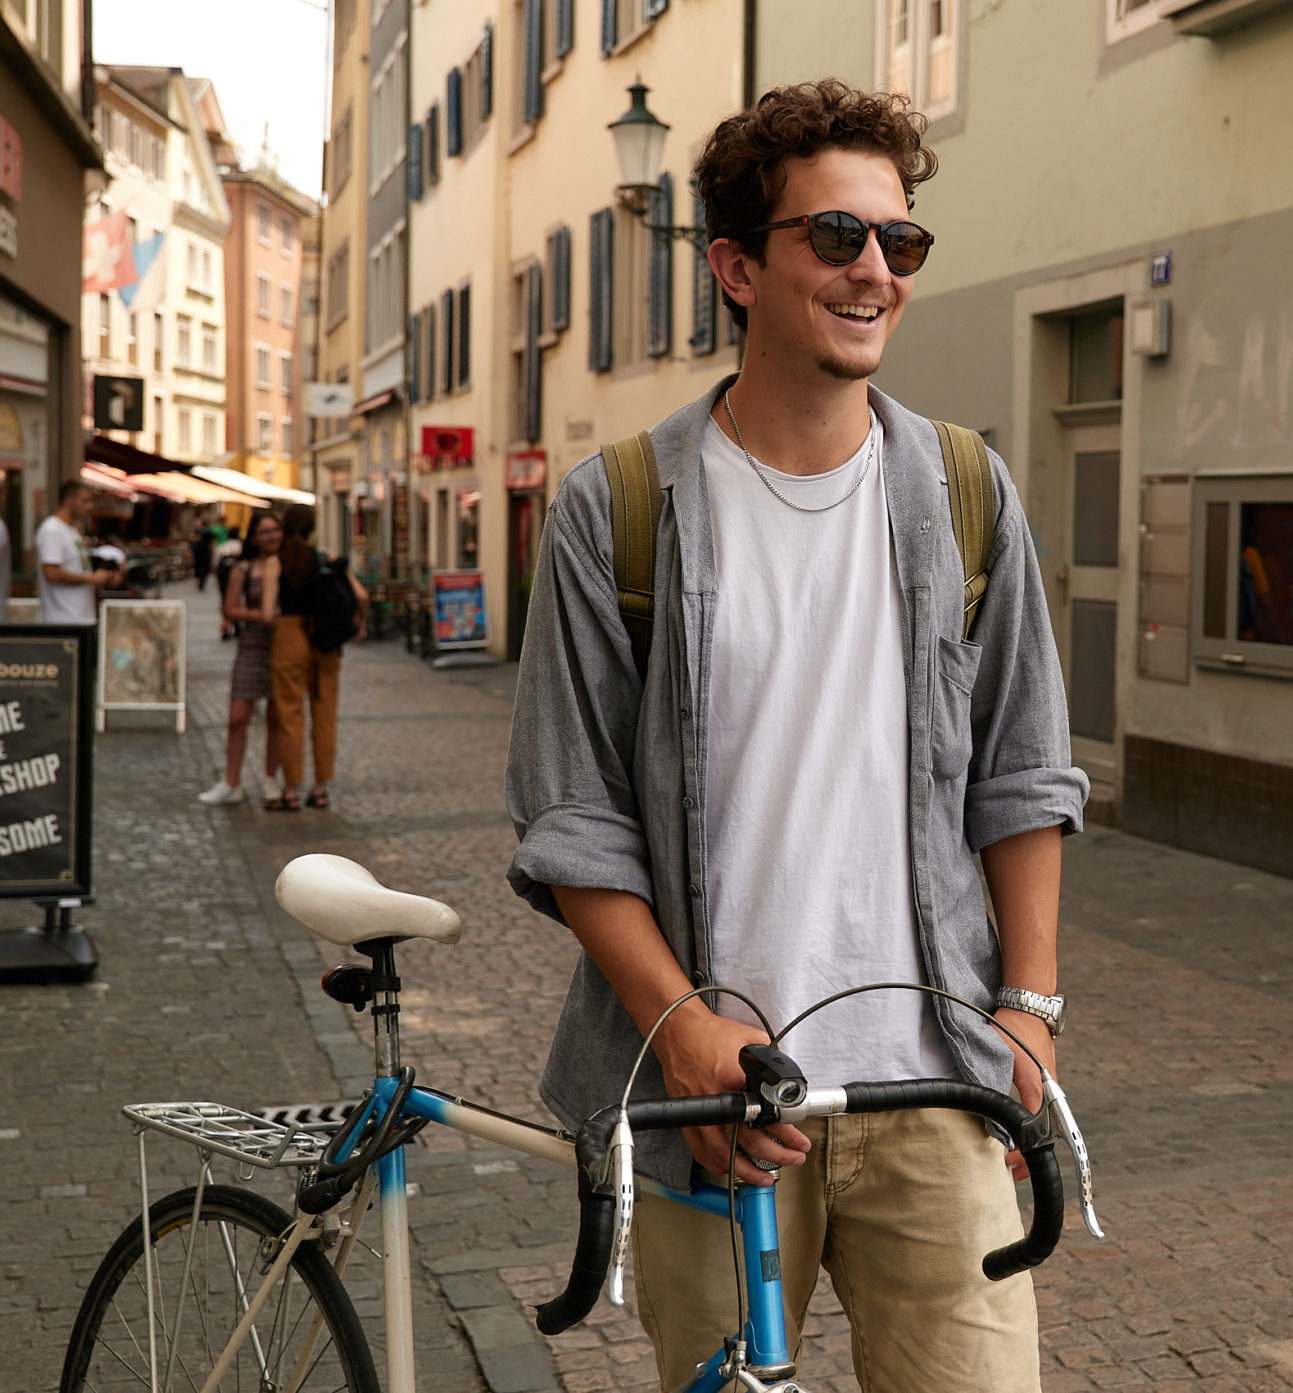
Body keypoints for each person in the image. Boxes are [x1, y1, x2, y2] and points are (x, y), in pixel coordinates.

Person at [506, 80, 1087, 1393]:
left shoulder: (964, 491)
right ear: (736, 266)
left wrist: (1032, 1013)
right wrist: (687, 1023)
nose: (874, 269)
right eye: (835, 238)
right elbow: (571, 814)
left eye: (900, 242)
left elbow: (1025, 768)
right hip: (716, 1103)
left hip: (938, 1082)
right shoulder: (622, 510)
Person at [269, 504, 364, 811]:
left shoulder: (277, 561)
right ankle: (320, 787)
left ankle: (291, 789)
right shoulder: (325, 559)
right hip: (325, 640)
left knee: (290, 714)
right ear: (312, 527)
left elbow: (269, 611)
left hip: (289, 637)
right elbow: (361, 596)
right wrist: (359, 622)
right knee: (325, 715)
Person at [198, 511, 286, 807]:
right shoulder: (242, 569)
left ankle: (271, 778)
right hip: (251, 645)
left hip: (282, 646)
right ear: (254, 537)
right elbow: (229, 609)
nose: (271, 536)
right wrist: (259, 616)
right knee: (237, 717)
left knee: (276, 718)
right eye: (264, 531)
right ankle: (231, 781)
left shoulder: (288, 567)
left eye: (275, 530)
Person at [37, 481, 117, 624]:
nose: (89, 506)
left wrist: (104, 577)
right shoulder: (52, 529)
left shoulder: (72, 531)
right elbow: (51, 572)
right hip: (63, 621)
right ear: (69, 500)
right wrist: (91, 579)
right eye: (85, 501)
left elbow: (76, 568)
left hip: (81, 618)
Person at [190, 515, 214, 591]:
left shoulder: (199, 531)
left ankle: (201, 583)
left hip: (201, 551)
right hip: (203, 552)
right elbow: (212, 543)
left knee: (200, 567)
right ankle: (201, 583)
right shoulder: (208, 530)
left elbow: (193, 540)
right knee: (203, 567)